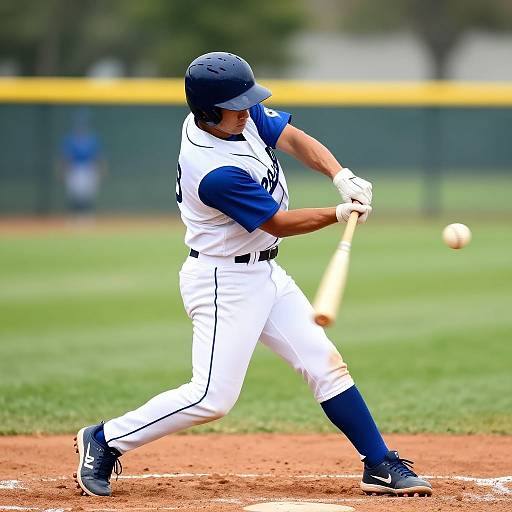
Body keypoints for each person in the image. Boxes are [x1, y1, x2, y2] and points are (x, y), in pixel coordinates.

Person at [74, 52, 432, 499]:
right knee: (211, 398)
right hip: (224, 281)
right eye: (237, 105)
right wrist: (339, 213)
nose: (248, 110)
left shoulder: (233, 115)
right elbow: (278, 223)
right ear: (207, 112)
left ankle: (379, 463)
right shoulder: (214, 170)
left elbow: (294, 138)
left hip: (264, 271)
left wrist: (340, 175)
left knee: (324, 364)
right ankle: (105, 439)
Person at [58, 109, 106, 218]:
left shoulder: (93, 139)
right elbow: (65, 158)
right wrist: (62, 170)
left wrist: (101, 169)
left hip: (89, 169)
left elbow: (98, 157)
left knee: (88, 194)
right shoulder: (70, 139)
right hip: (74, 169)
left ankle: (87, 217)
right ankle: (74, 217)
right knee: (75, 194)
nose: (81, 127)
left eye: (83, 125)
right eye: (79, 125)